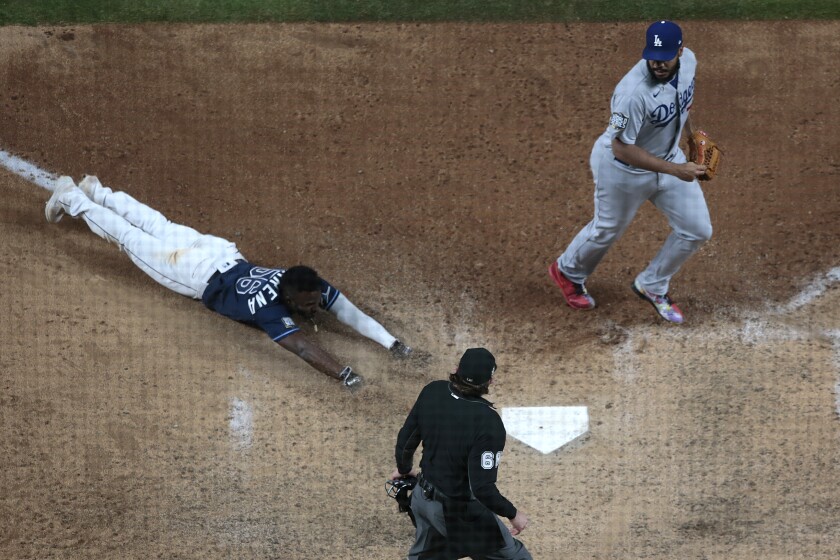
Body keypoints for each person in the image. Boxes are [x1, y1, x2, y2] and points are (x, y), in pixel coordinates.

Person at [44, 175, 412, 389]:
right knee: (130, 237)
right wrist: (344, 375)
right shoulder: (271, 310)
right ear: (289, 297)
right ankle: (74, 197)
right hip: (190, 270)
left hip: (218, 253)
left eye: (316, 301)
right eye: (309, 306)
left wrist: (393, 344)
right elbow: (302, 348)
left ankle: (99, 192)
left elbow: (350, 312)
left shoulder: (304, 282)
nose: (316, 308)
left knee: (159, 225)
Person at [549, 20, 713, 324]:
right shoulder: (632, 93)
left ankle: (651, 284)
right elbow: (621, 148)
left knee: (698, 230)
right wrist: (676, 170)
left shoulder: (689, 62)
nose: (658, 64)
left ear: (680, 50)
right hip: (622, 170)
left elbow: (683, 106)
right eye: (652, 56)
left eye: (665, 57)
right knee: (606, 229)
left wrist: (690, 137)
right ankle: (567, 272)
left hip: (669, 160)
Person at [390, 348, 531, 560]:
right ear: (490, 381)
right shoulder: (488, 423)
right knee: (515, 557)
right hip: (458, 513)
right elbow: (482, 488)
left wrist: (404, 469)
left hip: (421, 498)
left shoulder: (432, 391)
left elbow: (405, 441)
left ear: (456, 369)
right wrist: (513, 514)